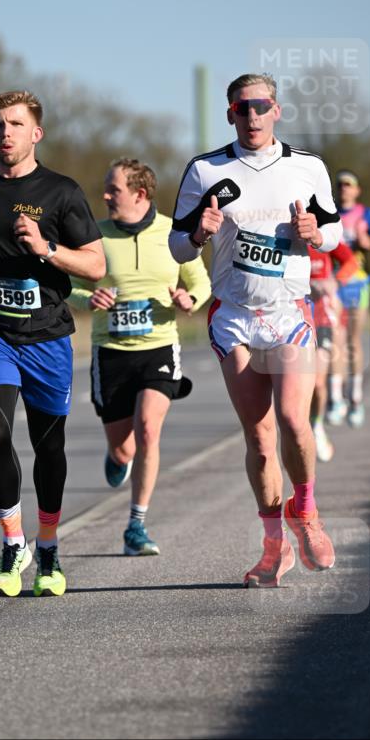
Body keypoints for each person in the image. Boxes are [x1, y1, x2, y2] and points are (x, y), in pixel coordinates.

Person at [169, 72, 342, 589]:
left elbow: (333, 233)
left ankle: (306, 513)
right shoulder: (204, 169)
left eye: (260, 106)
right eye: (242, 108)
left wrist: (316, 234)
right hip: (233, 316)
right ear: (230, 113)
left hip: (289, 312)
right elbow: (178, 248)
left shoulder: (307, 167)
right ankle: (274, 548)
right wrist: (200, 231)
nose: (252, 116)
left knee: (293, 419)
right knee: (261, 439)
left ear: (277, 110)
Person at [0, 90, 105, 597]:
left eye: (15, 124)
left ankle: (50, 546)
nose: (4, 132)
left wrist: (47, 248)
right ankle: (14, 543)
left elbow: (97, 264)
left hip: (47, 336)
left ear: (36, 133)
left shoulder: (62, 192)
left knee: (48, 446)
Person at [70, 158, 211, 555]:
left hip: (159, 347)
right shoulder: (93, 234)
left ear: (140, 194)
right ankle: (117, 457)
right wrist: (87, 296)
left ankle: (137, 525)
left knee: (148, 428)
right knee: (124, 449)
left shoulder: (173, 232)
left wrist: (190, 299)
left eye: (112, 190)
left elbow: (200, 282)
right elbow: (65, 283)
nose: (104, 196)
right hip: (111, 353)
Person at [327, 170, 370, 429]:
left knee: (353, 340)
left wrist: (369, 244)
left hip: (358, 284)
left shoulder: (366, 215)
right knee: (335, 340)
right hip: (333, 285)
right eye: (340, 185)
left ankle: (355, 397)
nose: (344, 189)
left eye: (349, 185)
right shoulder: (327, 212)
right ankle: (335, 398)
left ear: (357, 190)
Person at [308, 240, 357, 461]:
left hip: (321, 316)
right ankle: (302, 427)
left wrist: (335, 282)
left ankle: (317, 425)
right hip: (290, 315)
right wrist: (308, 285)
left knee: (318, 382)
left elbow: (350, 263)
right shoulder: (282, 233)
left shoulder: (325, 237)